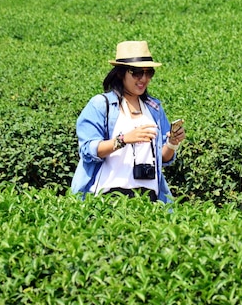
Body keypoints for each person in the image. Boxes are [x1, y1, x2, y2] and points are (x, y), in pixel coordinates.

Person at [71, 41, 186, 203]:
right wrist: (124, 139)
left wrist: (173, 143)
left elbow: (163, 158)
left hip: (149, 197)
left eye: (149, 73)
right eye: (137, 73)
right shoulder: (101, 105)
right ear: (120, 73)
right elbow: (88, 150)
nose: (144, 79)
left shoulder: (154, 108)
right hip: (110, 196)